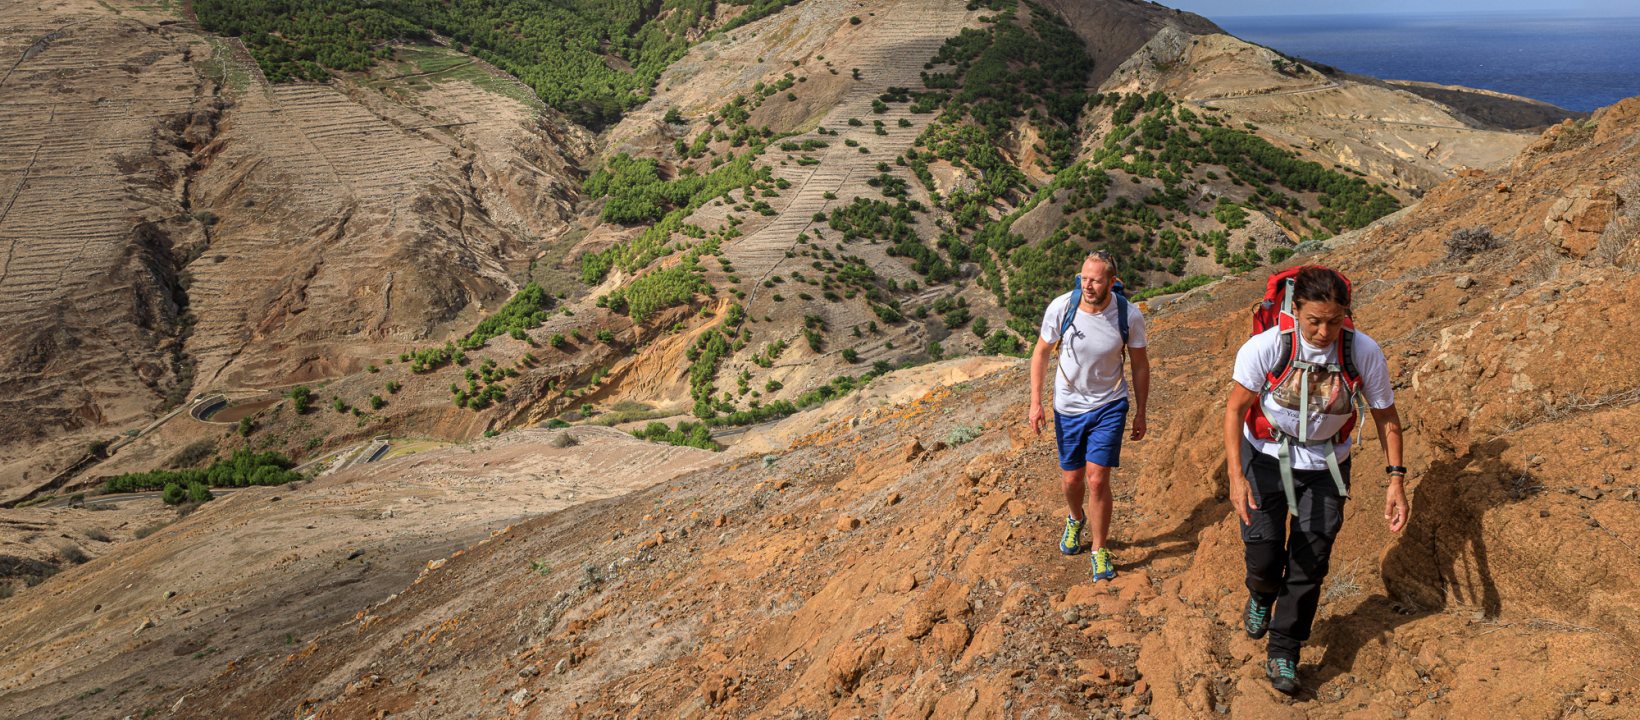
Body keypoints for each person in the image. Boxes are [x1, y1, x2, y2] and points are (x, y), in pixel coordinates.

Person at [1223, 266, 1409, 695]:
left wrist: (1395, 479)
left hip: (1327, 464)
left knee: (1312, 559)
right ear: (1295, 309)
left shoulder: (1362, 351)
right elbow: (1235, 410)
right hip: (1265, 457)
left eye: (1334, 320)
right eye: (1314, 321)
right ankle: (1261, 593)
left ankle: (1284, 650)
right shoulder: (1268, 346)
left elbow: (1386, 417)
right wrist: (1236, 476)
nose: (1324, 331)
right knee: (1264, 551)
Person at [1029, 251, 1149, 582]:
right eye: (1084, 278)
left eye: (1095, 279)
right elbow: (1040, 353)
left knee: (1097, 479)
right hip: (1068, 406)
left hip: (1109, 404)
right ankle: (1074, 517)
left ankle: (1098, 549)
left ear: (1112, 281)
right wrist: (1035, 402)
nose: (1088, 285)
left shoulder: (1128, 315)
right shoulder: (1062, 308)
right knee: (1072, 479)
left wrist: (1141, 411)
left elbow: (1139, 364)